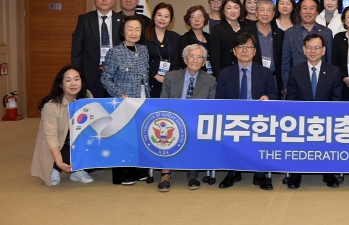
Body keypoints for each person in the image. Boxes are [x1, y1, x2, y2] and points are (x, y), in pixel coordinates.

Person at [216, 33, 279, 191]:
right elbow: (219, 100)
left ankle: (260, 175)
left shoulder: (264, 72)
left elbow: (274, 95)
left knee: (262, 133)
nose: (244, 50)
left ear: (255, 51)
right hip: (233, 117)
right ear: (234, 51)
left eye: (248, 47)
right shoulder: (225, 74)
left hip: (258, 117)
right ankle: (232, 173)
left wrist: (267, 98)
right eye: (240, 47)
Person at [158, 44, 217, 192]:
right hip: (173, 118)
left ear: (204, 62)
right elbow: (163, 102)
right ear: (185, 59)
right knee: (164, 131)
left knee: (196, 131)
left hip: (196, 120)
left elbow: (211, 106)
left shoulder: (210, 80)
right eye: (191, 56)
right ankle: (165, 174)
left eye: (199, 57)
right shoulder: (171, 77)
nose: (195, 60)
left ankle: (192, 174)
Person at [285, 34, 341, 189]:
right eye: (309, 47)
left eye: (317, 47)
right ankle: (295, 175)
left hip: (326, 119)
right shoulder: (295, 71)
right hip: (301, 119)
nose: (313, 51)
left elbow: (336, 99)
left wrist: (325, 117)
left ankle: (329, 174)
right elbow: (291, 98)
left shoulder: (334, 71)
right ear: (304, 50)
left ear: (324, 50)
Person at [100, 15, 150, 185]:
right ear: (123, 31)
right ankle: (122, 174)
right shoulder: (114, 53)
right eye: (130, 29)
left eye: (137, 29)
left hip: (142, 99)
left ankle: (139, 170)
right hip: (123, 101)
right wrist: (119, 94)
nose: (134, 32)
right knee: (123, 137)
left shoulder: (143, 50)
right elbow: (106, 79)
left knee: (139, 136)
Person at [31, 65, 94, 187]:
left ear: (82, 82)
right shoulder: (51, 106)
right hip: (58, 143)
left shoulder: (87, 96)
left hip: (76, 141)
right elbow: (51, 137)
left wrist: (80, 109)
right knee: (64, 145)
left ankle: (77, 170)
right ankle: (54, 169)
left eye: (77, 79)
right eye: (68, 80)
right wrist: (59, 162)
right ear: (61, 84)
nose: (73, 83)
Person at [71, 0, 122, 97]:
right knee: (93, 107)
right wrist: (78, 76)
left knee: (116, 107)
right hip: (92, 75)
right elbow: (76, 52)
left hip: (117, 75)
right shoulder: (84, 20)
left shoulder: (123, 20)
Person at [280, 0, 334, 93]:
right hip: (296, 83)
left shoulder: (327, 33)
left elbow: (329, 60)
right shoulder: (289, 33)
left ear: (317, 12)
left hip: (321, 83)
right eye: (305, 8)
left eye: (312, 8)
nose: (308, 12)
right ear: (299, 12)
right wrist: (285, 85)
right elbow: (285, 62)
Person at [244, 0, 285, 95]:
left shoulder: (280, 34)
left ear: (273, 13)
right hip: (252, 78)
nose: (265, 14)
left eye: (268, 10)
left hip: (274, 79)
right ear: (256, 13)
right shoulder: (245, 32)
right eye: (262, 10)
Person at [144, 3, 181, 98]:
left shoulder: (175, 37)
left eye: (166, 16)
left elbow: (176, 62)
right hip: (149, 81)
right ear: (154, 16)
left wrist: (169, 78)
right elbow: (141, 61)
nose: (162, 19)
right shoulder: (144, 36)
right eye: (159, 15)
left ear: (170, 20)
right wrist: (156, 76)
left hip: (170, 82)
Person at [208, 0, 244, 77]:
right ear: (223, 11)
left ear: (240, 9)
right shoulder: (217, 30)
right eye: (229, 8)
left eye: (236, 7)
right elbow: (214, 58)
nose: (233, 11)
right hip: (226, 74)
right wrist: (219, 77)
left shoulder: (247, 28)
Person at [178, 5, 212, 74]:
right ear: (189, 20)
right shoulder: (185, 39)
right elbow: (183, 62)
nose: (196, 19)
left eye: (199, 16)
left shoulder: (210, 37)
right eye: (193, 17)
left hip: (212, 75)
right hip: (194, 75)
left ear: (204, 19)